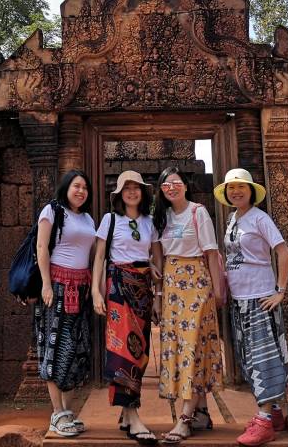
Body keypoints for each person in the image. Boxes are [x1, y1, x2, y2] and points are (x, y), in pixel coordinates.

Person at [214, 168, 288, 447]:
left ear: (251, 191)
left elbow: (284, 252)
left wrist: (280, 291)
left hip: (261, 297)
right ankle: (276, 413)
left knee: (263, 359)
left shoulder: (260, 218)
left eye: (241, 187)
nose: (236, 191)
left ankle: (263, 420)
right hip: (240, 298)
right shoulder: (232, 219)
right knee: (247, 357)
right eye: (231, 187)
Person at [152, 167, 224, 444]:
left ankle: (184, 419)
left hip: (196, 284)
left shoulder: (198, 212)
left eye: (176, 182)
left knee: (193, 347)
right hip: (171, 286)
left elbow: (211, 253)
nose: (171, 187)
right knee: (179, 347)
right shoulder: (160, 217)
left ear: (185, 186)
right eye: (166, 184)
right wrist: (157, 297)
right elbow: (158, 259)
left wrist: (217, 293)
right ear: (161, 190)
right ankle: (202, 413)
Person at [92, 170, 159, 446]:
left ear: (142, 193)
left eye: (136, 188)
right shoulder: (110, 220)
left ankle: (125, 411)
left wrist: (157, 290)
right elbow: (99, 257)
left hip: (143, 289)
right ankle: (133, 416)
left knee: (141, 351)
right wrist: (96, 291)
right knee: (123, 350)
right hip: (118, 286)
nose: (132, 192)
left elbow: (155, 257)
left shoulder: (150, 222)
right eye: (126, 188)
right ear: (119, 194)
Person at [35, 169, 97, 437]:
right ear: (66, 187)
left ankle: (68, 413)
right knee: (55, 346)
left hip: (81, 288)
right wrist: (46, 284)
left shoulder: (87, 218)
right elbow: (41, 247)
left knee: (76, 348)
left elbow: (94, 252)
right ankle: (56, 413)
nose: (81, 191)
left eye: (84, 187)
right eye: (76, 186)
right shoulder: (52, 211)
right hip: (58, 287)